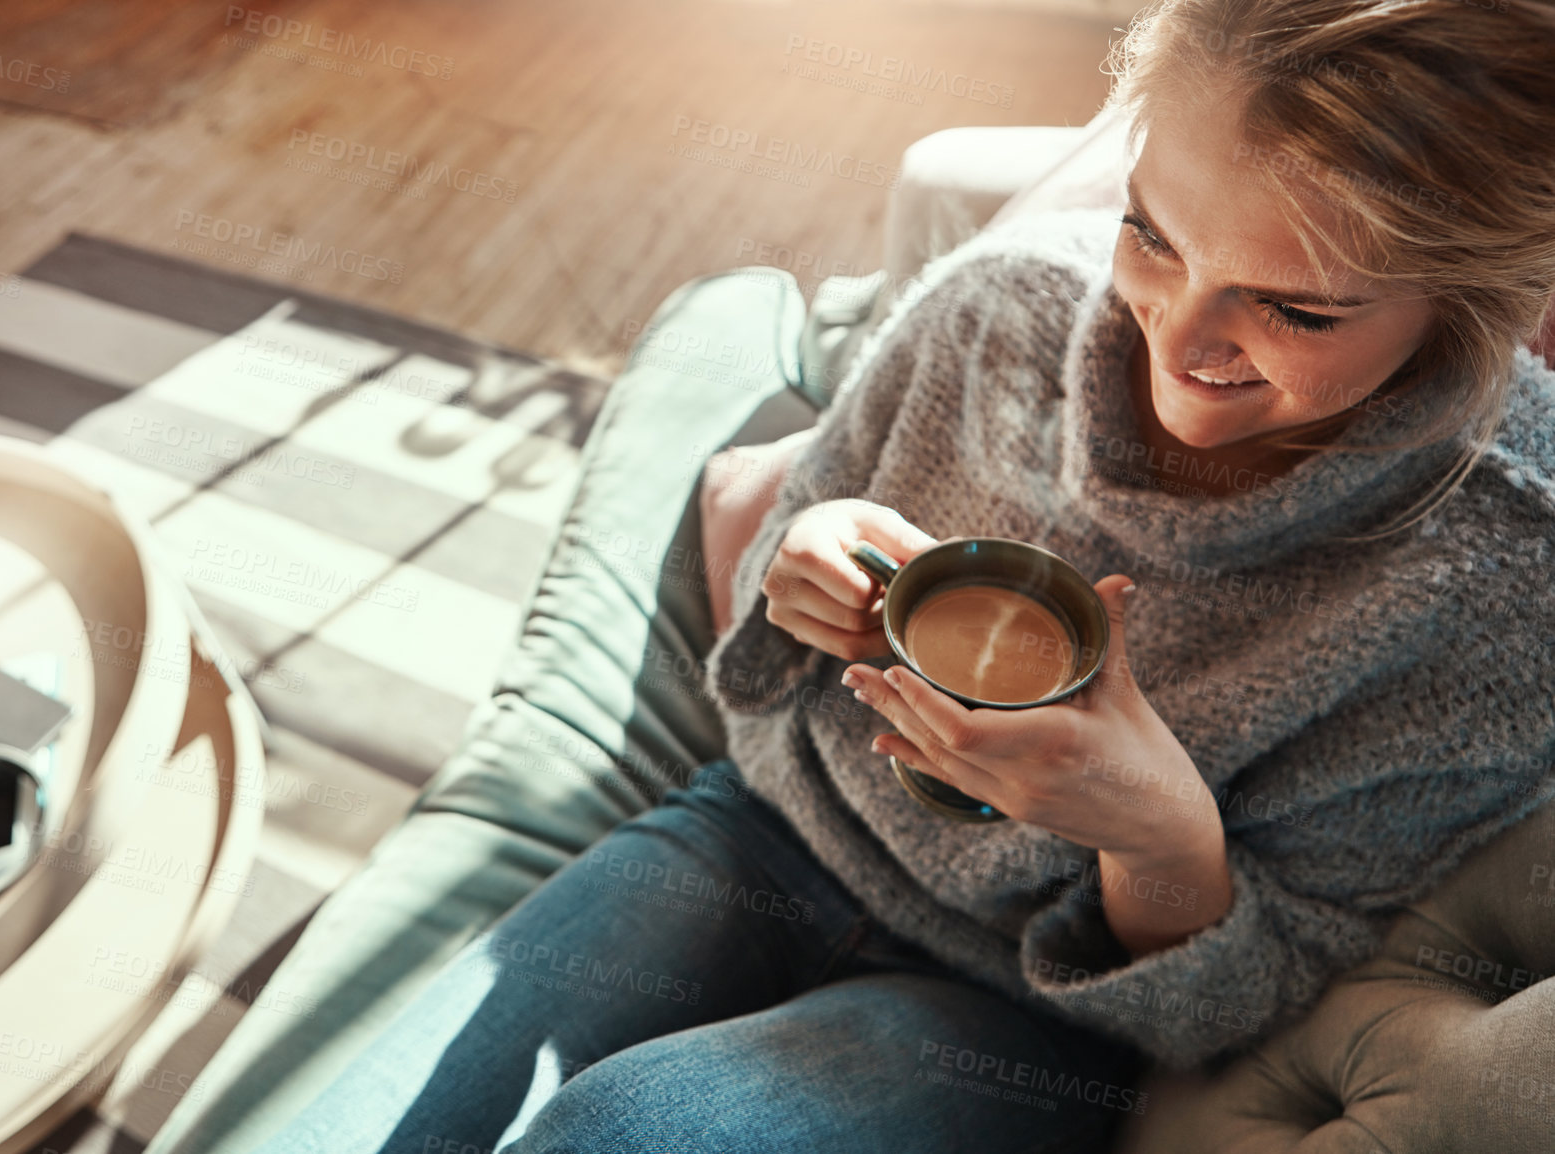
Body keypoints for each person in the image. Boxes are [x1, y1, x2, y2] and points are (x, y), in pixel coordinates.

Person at [256, 1, 1555, 1150]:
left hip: (1019, 1008)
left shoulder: (1498, 587)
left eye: (1296, 308)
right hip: (762, 829)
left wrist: (1159, 835)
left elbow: (1235, 1009)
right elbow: (778, 602)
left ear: (1475, 298)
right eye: (1152, 234)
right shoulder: (998, 305)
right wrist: (797, 559)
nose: (1183, 335)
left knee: (630, 1129)